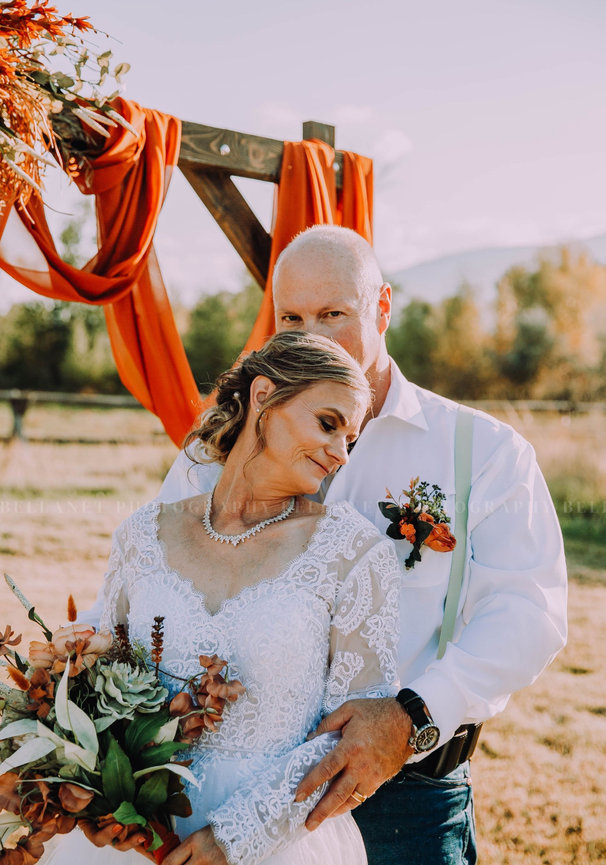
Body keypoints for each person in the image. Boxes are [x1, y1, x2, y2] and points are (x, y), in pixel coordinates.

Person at [158, 225, 568, 865]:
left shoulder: (483, 452)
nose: (311, 338)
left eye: (333, 315)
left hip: (400, 797)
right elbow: (157, 581)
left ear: (382, 307)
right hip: (219, 785)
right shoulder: (214, 450)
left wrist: (411, 720)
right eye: (291, 318)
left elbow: (528, 613)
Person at [47, 331, 401, 865]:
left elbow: (351, 740)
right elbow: (106, 685)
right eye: (328, 424)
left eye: (351, 439)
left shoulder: (352, 552)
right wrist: (106, 798)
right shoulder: (143, 535)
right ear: (263, 396)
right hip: (138, 837)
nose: (341, 455)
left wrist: (237, 838)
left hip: (275, 843)